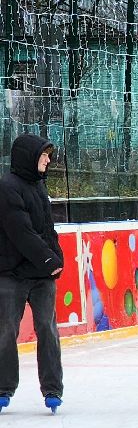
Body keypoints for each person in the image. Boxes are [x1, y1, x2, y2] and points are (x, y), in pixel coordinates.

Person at [0, 134, 64, 413]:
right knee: (5, 330)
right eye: (44, 156)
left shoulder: (38, 185)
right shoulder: (6, 187)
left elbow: (46, 228)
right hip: (11, 274)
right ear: (29, 156)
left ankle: (52, 389)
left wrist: (56, 255)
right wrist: (50, 259)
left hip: (42, 277)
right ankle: (3, 388)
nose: (48, 160)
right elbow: (20, 232)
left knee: (48, 330)